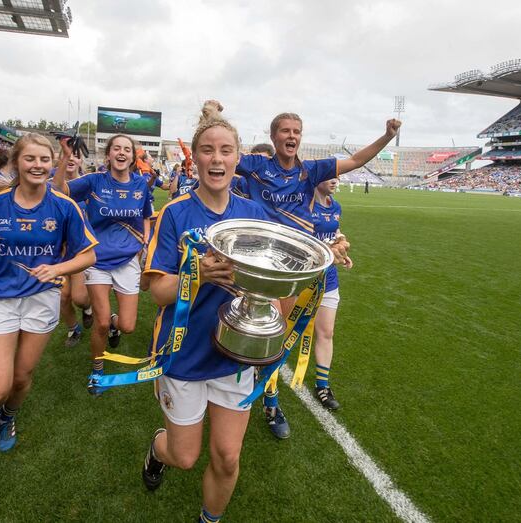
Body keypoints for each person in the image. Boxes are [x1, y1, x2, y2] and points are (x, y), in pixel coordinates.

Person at [236, 108, 400, 439]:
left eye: (297, 130)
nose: (292, 135)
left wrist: (386, 137)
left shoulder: (309, 171)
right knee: (249, 336)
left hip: (290, 268)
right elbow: (220, 156)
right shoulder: (255, 166)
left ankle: (270, 402)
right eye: (285, 130)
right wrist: (210, 117)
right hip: (255, 263)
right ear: (273, 136)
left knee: (277, 337)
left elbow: (354, 161)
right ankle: (244, 386)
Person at [141, 100, 268, 523]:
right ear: (194, 158)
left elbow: (285, 263)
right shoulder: (175, 213)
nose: (217, 158)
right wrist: (196, 276)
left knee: (228, 457)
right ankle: (157, 451)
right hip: (184, 353)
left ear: (237, 158)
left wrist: (331, 247)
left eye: (226, 150)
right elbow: (158, 291)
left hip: (235, 353)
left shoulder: (254, 214)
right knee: (184, 455)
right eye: (208, 150)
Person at [0, 133, 97, 453]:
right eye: (30, 159)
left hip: (42, 300)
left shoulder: (64, 206)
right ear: (16, 163)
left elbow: (89, 255)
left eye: (44, 159)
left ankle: (9, 417)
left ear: (53, 163)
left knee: (22, 378)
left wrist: (58, 269)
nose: (37, 165)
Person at [63, 134, 151, 395]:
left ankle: (115, 323)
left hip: (127, 261)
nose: (122, 153)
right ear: (108, 155)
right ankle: (97, 371)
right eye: (117, 149)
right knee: (100, 323)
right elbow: (59, 190)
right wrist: (63, 161)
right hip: (97, 260)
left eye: (127, 149)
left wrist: (144, 241)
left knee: (127, 326)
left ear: (132, 156)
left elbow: (146, 216)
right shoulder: (94, 181)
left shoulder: (141, 184)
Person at [310, 177, 352, 410]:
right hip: (304, 280)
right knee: (284, 335)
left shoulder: (335, 205)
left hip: (329, 279)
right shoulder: (304, 205)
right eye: (330, 176)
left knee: (327, 332)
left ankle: (322, 385)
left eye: (337, 176)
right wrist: (329, 249)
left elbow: (335, 232)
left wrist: (341, 246)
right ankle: (270, 389)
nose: (335, 180)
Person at [51, 147, 93, 347]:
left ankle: (87, 308)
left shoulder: (88, 184)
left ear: (81, 161)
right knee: (62, 296)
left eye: (76, 156)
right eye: (67, 155)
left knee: (79, 297)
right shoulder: (49, 184)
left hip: (79, 249)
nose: (71, 159)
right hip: (57, 250)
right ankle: (73, 329)